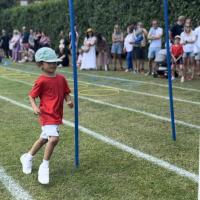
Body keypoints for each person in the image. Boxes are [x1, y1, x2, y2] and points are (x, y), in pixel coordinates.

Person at [20, 47, 73, 185]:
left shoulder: (61, 78)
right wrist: (35, 107)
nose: (53, 65)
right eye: (49, 63)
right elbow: (32, 96)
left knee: (44, 139)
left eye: (54, 62)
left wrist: (69, 101)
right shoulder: (41, 80)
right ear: (40, 64)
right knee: (54, 139)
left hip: (56, 115)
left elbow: (66, 92)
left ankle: (28, 157)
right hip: (46, 114)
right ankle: (44, 166)